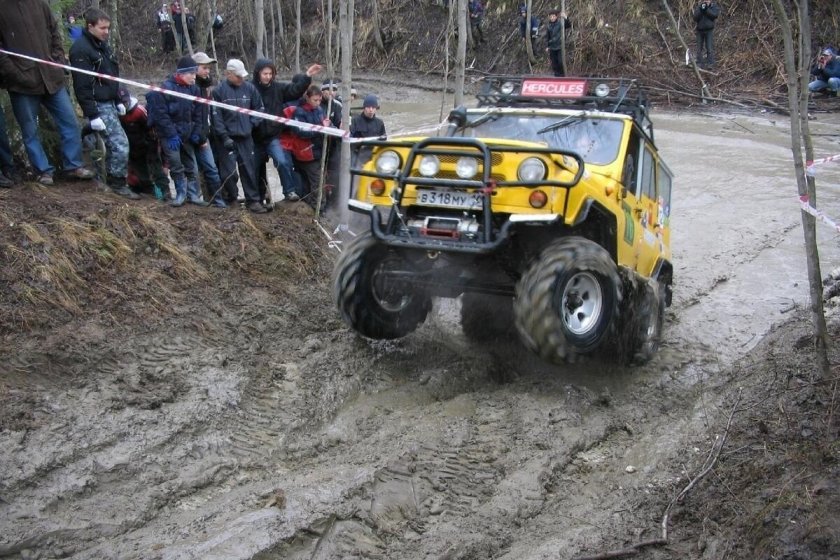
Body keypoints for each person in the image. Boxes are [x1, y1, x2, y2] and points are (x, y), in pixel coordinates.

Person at [0, 0, 95, 186]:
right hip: (21, 83)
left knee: (70, 121)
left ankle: (73, 165)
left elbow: (55, 32)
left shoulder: (39, 4)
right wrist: (15, 73)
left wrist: (57, 60)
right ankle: (43, 171)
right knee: (29, 131)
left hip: (51, 77)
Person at [70, 8, 139, 199]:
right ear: (90, 26)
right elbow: (82, 85)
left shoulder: (103, 46)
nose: (106, 32)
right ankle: (117, 183)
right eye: (102, 28)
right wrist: (92, 114)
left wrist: (118, 99)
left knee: (108, 145)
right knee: (120, 144)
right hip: (97, 104)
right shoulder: (81, 50)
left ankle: (106, 178)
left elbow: (111, 77)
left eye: (108, 28)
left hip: (109, 100)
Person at [251, 59, 320, 204]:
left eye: (270, 73)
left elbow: (294, 91)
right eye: (265, 74)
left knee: (282, 162)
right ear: (258, 74)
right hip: (254, 137)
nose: (268, 76)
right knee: (254, 168)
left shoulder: (278, 88)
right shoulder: (250, 88)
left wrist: (307, 76)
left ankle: (289, 191)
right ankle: (257, 198)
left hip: (273, 136)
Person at [147, 56, 209, 207]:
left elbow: (198, 114)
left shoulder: (194, 90)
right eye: (191, 74)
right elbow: (161, 115)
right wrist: (171, 134)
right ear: (181, 74)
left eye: (195, 73)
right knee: (175, 164)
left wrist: (196, 132)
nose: (194, 77)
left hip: (187, 135)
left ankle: (193, 194)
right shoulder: (166, 89)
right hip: (170, 136)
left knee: (191, 166)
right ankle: (180, 193)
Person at [212, 59, 267, 213]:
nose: (241, 79)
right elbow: (217, 117)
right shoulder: (219, 91)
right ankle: (232, 199)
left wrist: (251, 124)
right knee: (228, 173)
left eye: (242, 76)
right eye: (237, 76)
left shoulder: (250, 89)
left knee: (249, 170)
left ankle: (253, 201)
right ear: (228, 74)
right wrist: (224, 137)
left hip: (245, 137)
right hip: (227, 139)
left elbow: (259, 108)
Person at [192, 51, 227, 207]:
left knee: (212, 169)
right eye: (204, 67)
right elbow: (192, 114)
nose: (207, 71)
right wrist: (199, 136)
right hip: (193, 134)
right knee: (193, 170)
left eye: (208, 68)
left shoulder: (207, 87)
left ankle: (218, 200)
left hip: (206, 133)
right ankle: (195, 199)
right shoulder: (191, 87)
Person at [118, 94, 169, 200]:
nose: (125, 104)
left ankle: (165, 194)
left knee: (157, 170)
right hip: (133, 148)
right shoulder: (118, 113)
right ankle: (149, 193)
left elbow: (151, 129)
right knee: (141, 171)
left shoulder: (139, 111)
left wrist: (152, 144)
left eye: (126, 102)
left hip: (149, 146)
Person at [290, 85, 330, 211]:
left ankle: (314, 207)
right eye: (315, 100)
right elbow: (301, 131)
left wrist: (329, 127)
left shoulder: (319, 110)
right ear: (307, 97)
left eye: (319, 100)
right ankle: (317, 208)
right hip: (305, 152)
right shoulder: (299, 112)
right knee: (317, 183)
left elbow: (326, 122)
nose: (318, 103)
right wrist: (320, 129)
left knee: (316, 182)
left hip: (317, 151)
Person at [350, 94, 386, 168]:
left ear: (376, 109)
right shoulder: (355, 121)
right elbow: (350, 140)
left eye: (373, 107)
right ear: (364, 108)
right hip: (358, 157)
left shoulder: (379, 123)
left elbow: (384, 141)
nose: (371, 110)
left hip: (374, 156)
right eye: (368, 107)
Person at [545, 9, 572, 77]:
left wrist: (566, 17)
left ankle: (562, 75)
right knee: (554, 63)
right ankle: (557, 76)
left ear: (556, 16)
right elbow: (548, 37)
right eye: (551, 17)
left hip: (560, 46)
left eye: (553, 16)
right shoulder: (548, 26)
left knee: (560, 62)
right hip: (552, 47)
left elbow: (568, 25)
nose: (552, 18)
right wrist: (547, 46)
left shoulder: (560, 23)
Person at [693, 1, 720, 67]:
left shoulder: (713, 6)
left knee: (709, 47)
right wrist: (701, 10)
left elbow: (714, 15)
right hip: (700, 30)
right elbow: (695, 18)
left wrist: (706, 10)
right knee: (699, 48)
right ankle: (699, 63)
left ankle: (710, 63)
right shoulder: (699, 6)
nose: (706, 1)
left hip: (709, 30)